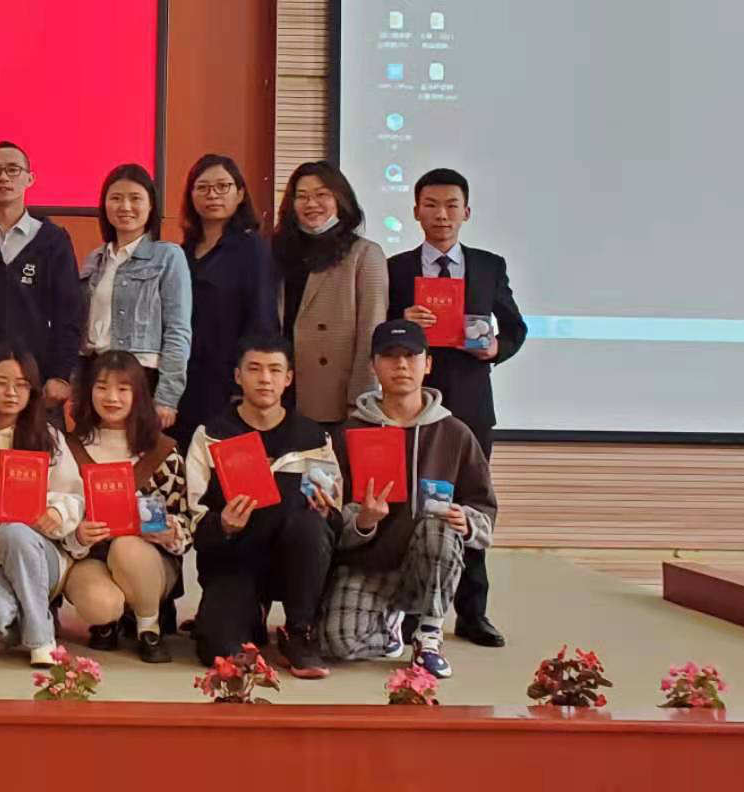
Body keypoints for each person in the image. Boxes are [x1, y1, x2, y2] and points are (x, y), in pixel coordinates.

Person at [389, 167, 526, 649]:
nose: (441, 215)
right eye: (431, 205)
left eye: (451, 205)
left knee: (469, 503)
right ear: (415, 211)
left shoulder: (488, 266)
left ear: (466, 211)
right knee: (409, 500)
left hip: (470, 402)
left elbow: (515, 328)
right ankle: (410, 609)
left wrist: (496, 348)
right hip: (411, 401)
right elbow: (378, 331)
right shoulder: (396, 269)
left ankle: (472, 611)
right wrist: (402, 320)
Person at [320, 320, 498, 679]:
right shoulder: (349, 433)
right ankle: (392, 628)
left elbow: (483, 507)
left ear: (427, 364)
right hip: (369, 564)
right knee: (338, 644)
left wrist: (466, 522)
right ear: (373, 366)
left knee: (439, 525)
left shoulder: (455, 433)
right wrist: (363, 521)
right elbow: (330, 514)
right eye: (389, 356)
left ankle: (429, 633)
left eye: (411, 356)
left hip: (429, 564)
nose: (400, 365)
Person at [185, 336, 336, 677]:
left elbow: (335, 510)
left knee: (311, 524)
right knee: (219, 651)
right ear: (238, 376)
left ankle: (299, 630)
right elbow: (193, 516)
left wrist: (328, 512)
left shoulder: (313, 438)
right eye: (254, 369)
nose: (265, 379)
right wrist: (222, 525)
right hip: (234, 561)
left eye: (275, 370)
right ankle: (250, 615)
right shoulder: (211, 434)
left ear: (289, 378)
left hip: (293, 561)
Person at [0, 345, 81, 667]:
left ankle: (40, 637)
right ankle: (14, 621)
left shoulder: (48, 438)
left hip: (36, 550)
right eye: (1, 382)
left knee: (15, 532)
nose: (11, 392)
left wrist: (57, 512)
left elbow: (74, 495)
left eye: (21, 385)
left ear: (32, 391)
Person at [62, 350, 189, 664]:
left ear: (139, 395)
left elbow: (185, 521)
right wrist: (77, 535)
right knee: (101, 603)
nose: (112, 398)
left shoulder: (163, 451)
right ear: (88, 391)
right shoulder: (68, 448)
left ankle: (149, 627)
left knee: (127, 547)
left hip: (147, 560)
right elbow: (54, 512)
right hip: (90, 557)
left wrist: (170, 532)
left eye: (123, 388)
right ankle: (108, 622)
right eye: (102, 387)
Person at [0, 141, 84, 412]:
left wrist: (60, 375)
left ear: (30, 178)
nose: (3, 177)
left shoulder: (52, 240)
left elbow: (69, 313)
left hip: (36, 379)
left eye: (13, 169)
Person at [273, 160, 387, 428]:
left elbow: (371, 331)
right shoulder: (278, 251)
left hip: (332, 392)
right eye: (302, 196)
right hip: (279, 384)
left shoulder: (364, 254)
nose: (311, 203)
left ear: (340, 199)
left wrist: (361, 400)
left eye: (321, 194)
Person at [81, 163, 193, 428]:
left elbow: (177, 331)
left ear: (151, 205)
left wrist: (167, 397)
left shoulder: (168, 256)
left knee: (138, 450)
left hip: (141, 376)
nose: (125, 207)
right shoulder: (95, 258)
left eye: (135, 198)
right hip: (96, 373)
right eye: (116, 198)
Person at [176, 154, 280, 434]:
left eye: (223, 186)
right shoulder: (182, 252)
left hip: (228, 381)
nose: (213, 195)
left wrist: (248, 381)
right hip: (183, 378)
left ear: (240, 194)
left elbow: (262, 319)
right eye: (203, 187)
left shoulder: (252, 249)